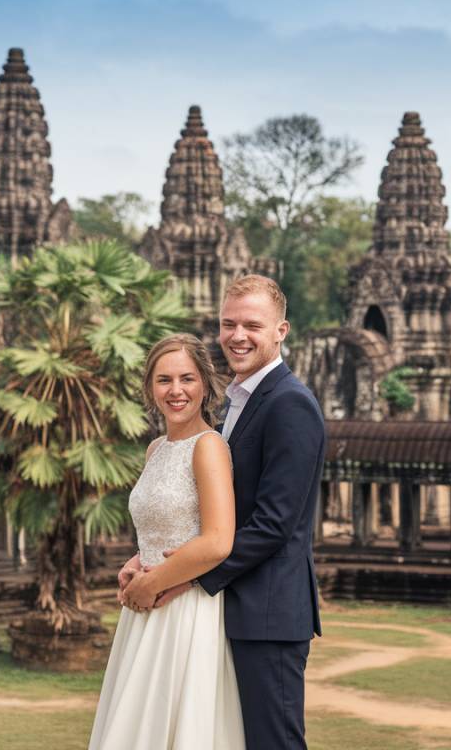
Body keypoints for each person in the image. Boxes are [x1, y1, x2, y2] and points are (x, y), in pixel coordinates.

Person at [121, 275, 326, 750]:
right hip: (223, 612)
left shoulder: (290, 404)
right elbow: (205, 509)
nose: (238, 335)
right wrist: (145, 559)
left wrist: (180, 576)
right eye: (228, 323)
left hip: (268, 613)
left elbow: (275, 525)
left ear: (281, 330)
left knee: (272, 743)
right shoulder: (235, 403)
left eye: (252, 324)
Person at [88, 334, 245, 750]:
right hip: (143, 607)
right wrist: (138, 559)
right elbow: (169, 522)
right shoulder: (156, 448)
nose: (176, 391)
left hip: (185, 608)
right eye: (164, 380)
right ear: (150, 388)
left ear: (206, 386)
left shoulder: (209, 447)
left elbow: (216, 541)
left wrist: (154, 581)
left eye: (187, 379)